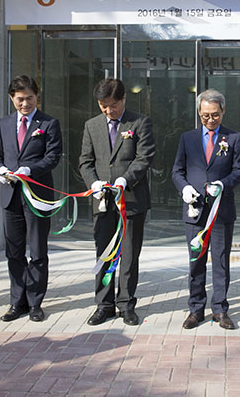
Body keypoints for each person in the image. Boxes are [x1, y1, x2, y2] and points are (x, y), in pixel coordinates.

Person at [79, 78, 156, 326]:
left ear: (123, 99)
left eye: (113, 105)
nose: (108, 111)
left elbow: (144, 158)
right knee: (104, 254)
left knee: (129, 255)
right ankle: (104, 305)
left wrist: (125, 179)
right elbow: (85, 161)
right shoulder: (91, 126)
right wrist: (93, 182)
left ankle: (126, 304)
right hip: (103, 202)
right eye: (103, 105)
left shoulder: (140, 123)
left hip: (131, 200)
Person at [0, 75, 62, 322]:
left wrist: (29, 170)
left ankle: (35, 303)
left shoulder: (49, 123)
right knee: (14, 252)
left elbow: (53, 157)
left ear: (37, 96)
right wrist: (0, 170)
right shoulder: (4, 123)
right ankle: (16, 302)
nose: (25, 103)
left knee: (38, 251)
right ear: (12, 98)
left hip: (37, 195)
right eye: (20, 99)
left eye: (29, 98)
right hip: (10, 197)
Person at [172, 89, 240, 330]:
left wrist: (222, 184)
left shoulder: (233, 138)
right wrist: (184, 189)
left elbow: (239, 171)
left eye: (215, 115)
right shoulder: (188, 138)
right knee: (196, 260)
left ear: (223, 111)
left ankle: (220, 309)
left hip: (221, 210)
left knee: (221, 261)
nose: (210, 120)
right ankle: (195, 308)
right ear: (199, 113)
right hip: (194, 210)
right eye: (205, 116)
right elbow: (177, 171)